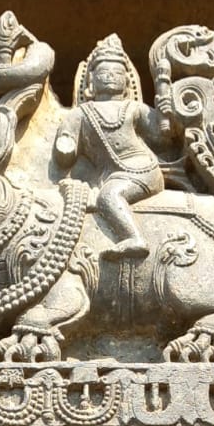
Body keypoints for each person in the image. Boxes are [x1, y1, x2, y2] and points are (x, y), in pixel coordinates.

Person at [55, 36, 170, 260]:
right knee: (105, 191)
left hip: (142, 169)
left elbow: (161, 138)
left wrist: (165, 115)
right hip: (111, 174)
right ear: (91, 80)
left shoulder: (134, 108)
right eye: (103, 72)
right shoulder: (80, 113)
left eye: (117, 73)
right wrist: (65, 144)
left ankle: (134, 238)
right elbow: (66, 148)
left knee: (109, 196)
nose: (110, 76)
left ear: (126, 81)